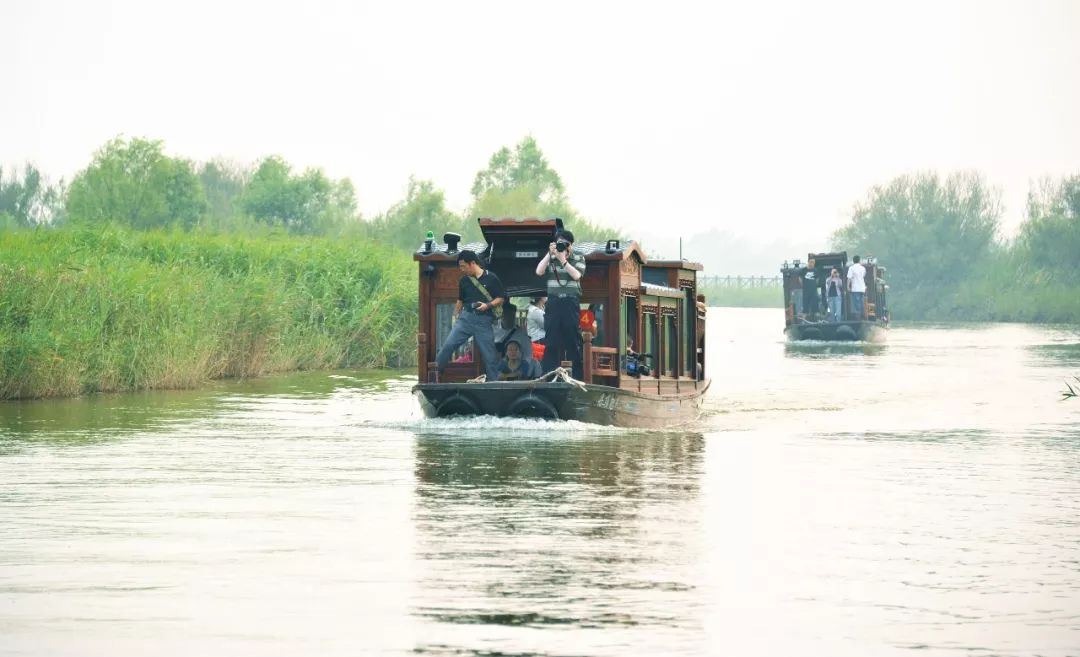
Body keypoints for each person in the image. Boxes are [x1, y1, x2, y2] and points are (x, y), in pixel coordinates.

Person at [435, 250, 505, 381]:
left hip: (483, 320)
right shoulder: (464, 280)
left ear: (472, 263)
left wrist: (487, 305)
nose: (462, 269)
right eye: (460, 266)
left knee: (489, 355)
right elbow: (460, 300)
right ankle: (435, 375)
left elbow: (500, 298)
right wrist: (456, 315)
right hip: (465, 320)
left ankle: (494, 383)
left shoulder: (491, 278)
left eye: (463, 266)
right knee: (448, 346)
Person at [535, 230, 586, 379]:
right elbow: (539, 271)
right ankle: (549, 376)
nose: (563, 246)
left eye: (566, 244)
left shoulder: (578, 257)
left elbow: (576, 275)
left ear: (571, 245)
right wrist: (549, 254)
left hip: (570, 301)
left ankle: (577, 376)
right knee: (551, 339)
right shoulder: (551, 257)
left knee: (572, 339)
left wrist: (563, 259)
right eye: (560, 243)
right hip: (554, 302)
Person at [847, 255, 867, 320]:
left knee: (856, 303)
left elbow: (849, 278)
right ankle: (863, 316)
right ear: (859, 260)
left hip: (855, 288)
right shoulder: (863, 268)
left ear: (853, 261)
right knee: (861, 302)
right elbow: (863, 276)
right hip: (862, 288)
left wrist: (848, 286)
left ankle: (858, 317)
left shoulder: (851, 268)